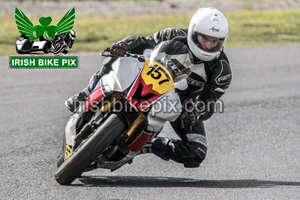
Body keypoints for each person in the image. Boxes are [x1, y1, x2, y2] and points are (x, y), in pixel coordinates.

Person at [65, 7, 232, 168]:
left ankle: (146, 145)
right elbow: (144, 42)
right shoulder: (173, 35)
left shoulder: (221, 71)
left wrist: (196, 112)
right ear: (194, 33)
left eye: (214, 41)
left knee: (197, 152)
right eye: (204, 39)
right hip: (150, 77)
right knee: (115, 59)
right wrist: (123, 45)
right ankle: (85, 94)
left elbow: (209, 102)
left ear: (221, 41)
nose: (208, 46)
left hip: (180, 104)